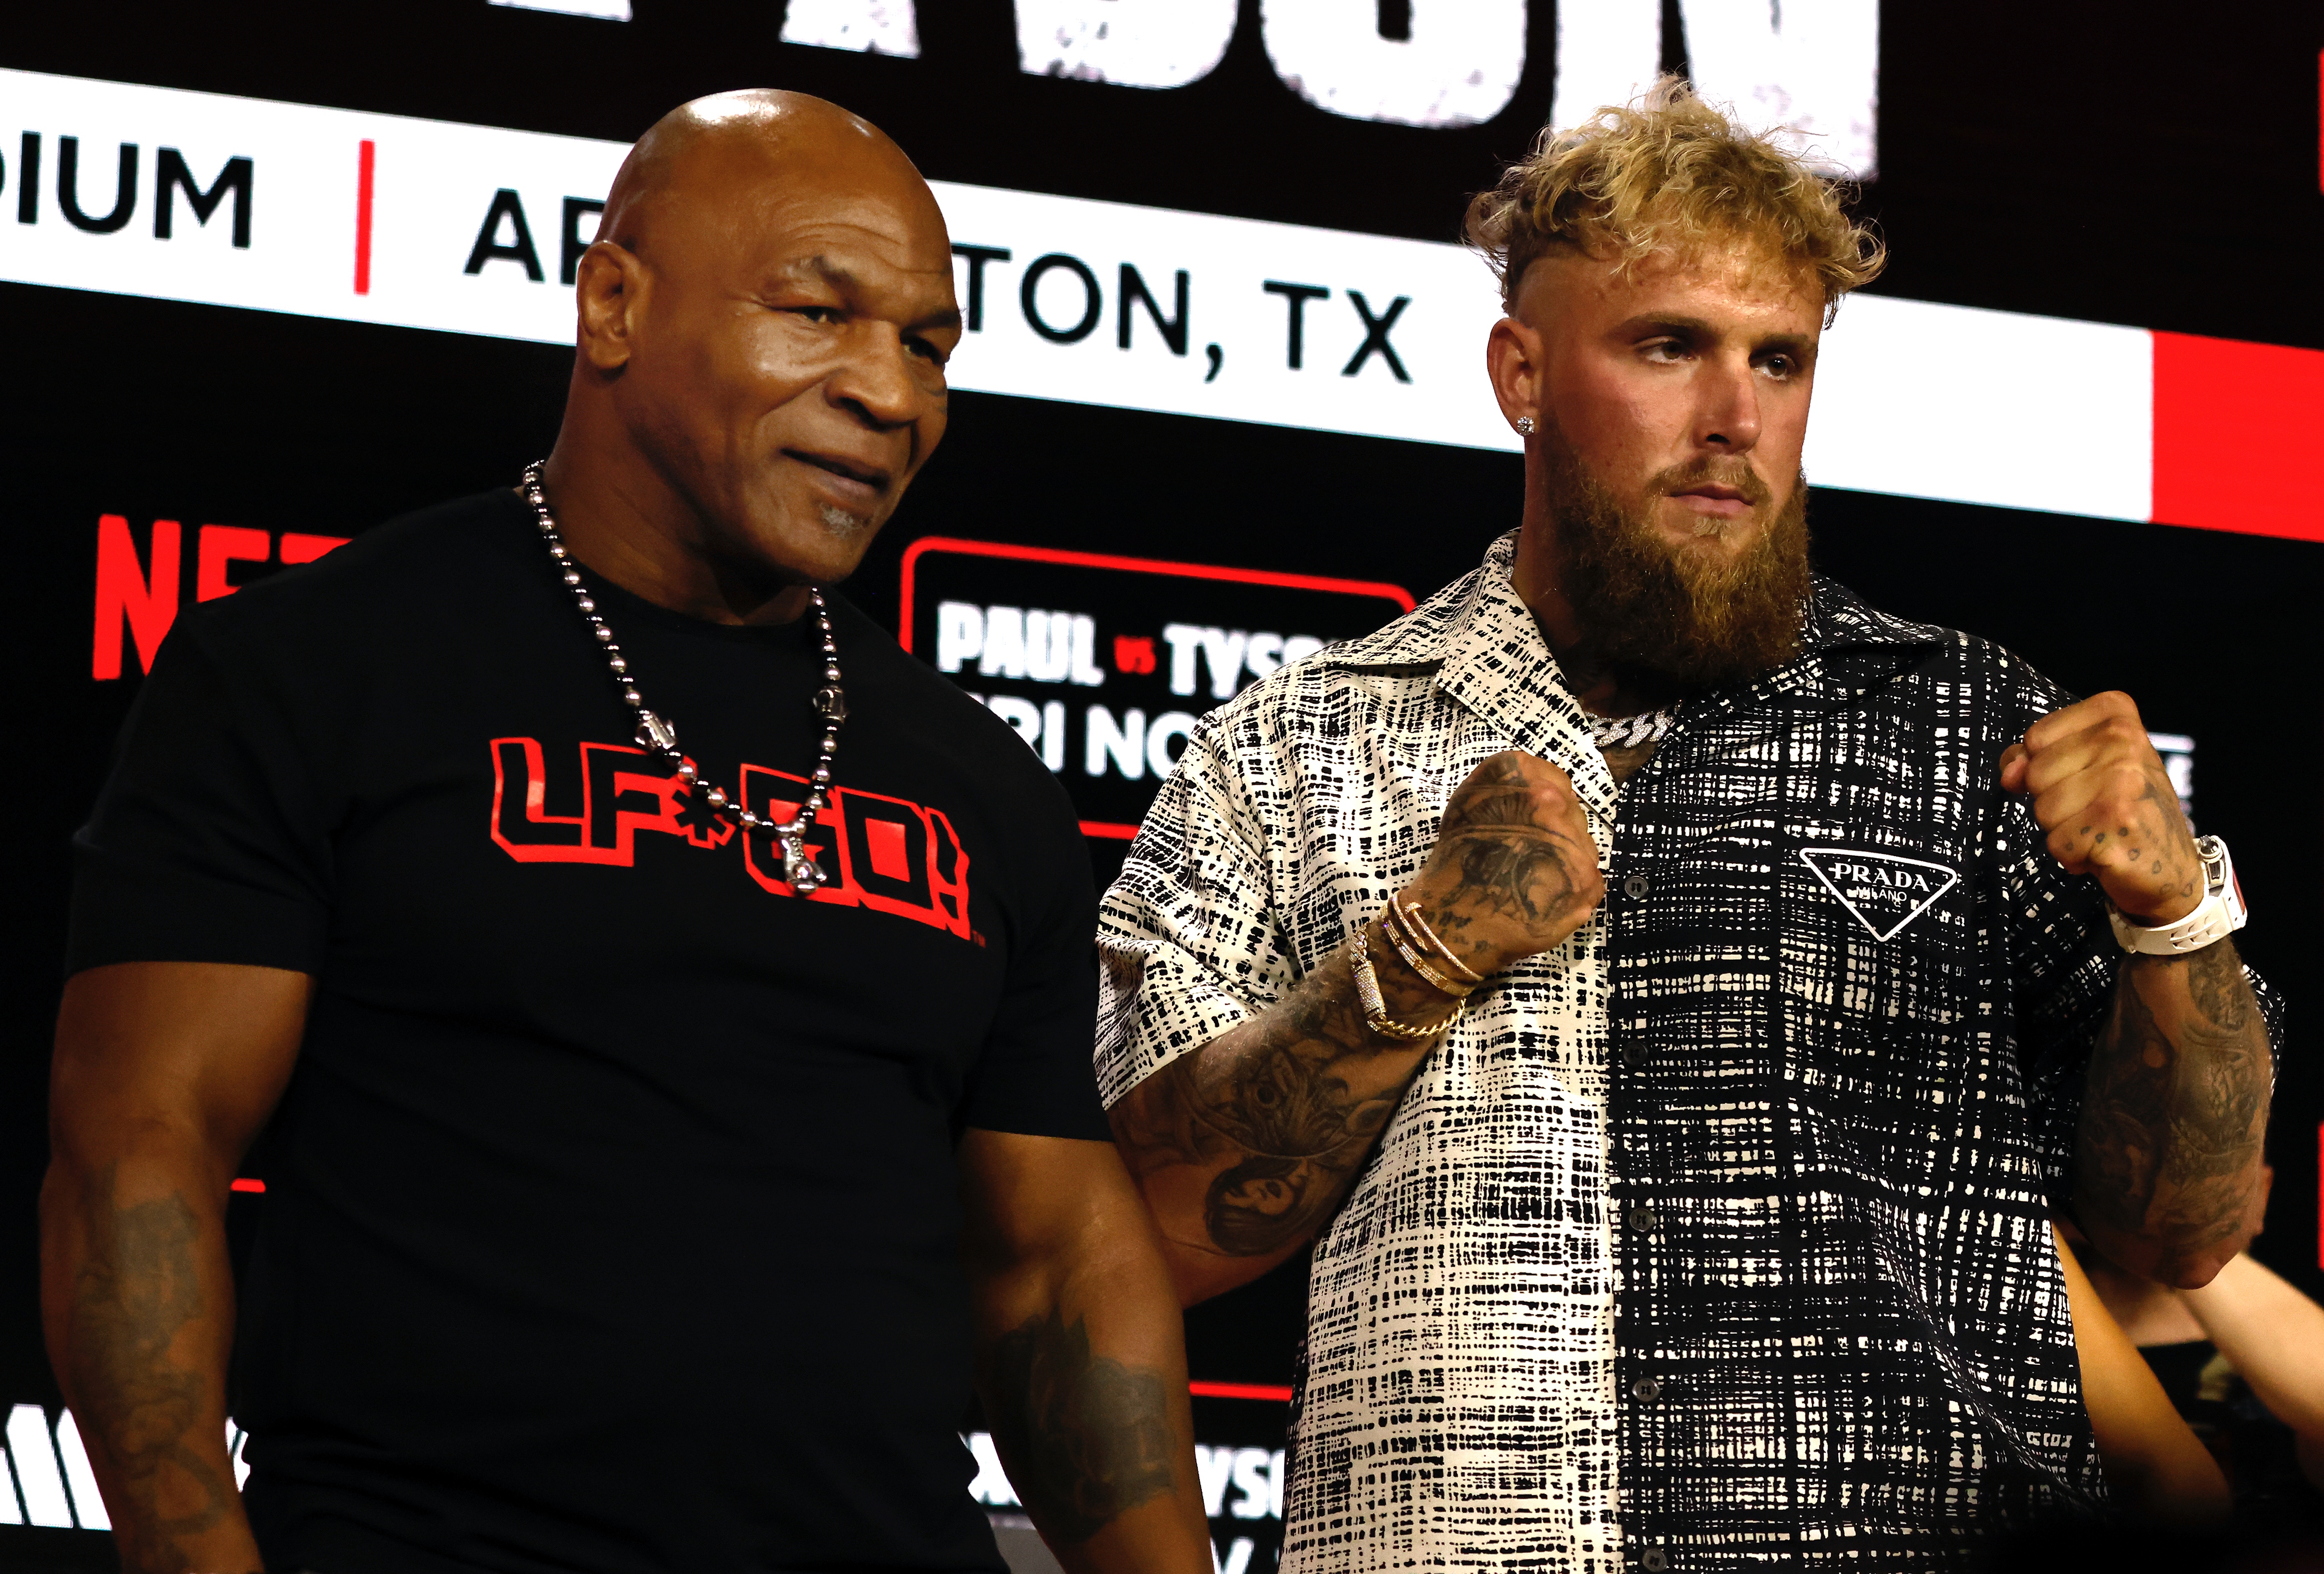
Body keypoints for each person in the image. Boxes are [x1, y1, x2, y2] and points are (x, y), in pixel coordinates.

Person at [1096, 79, 2281, 1569]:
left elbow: (2179, 1235)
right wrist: (1419, 948)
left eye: (1776, 360)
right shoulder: (1295, 742)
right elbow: (1146, 1232)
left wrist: (2175, 919)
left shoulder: (1969, 730)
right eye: (1668, 347)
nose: (1733, 417)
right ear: (1519, 373)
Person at [44, 91, 1211, 1574]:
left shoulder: (976, 780)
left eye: (928, 344)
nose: (890, 393)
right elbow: (139, 1151)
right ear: (613, 302)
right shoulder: (317, 671)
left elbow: (1055, 1263)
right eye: (818, 312)